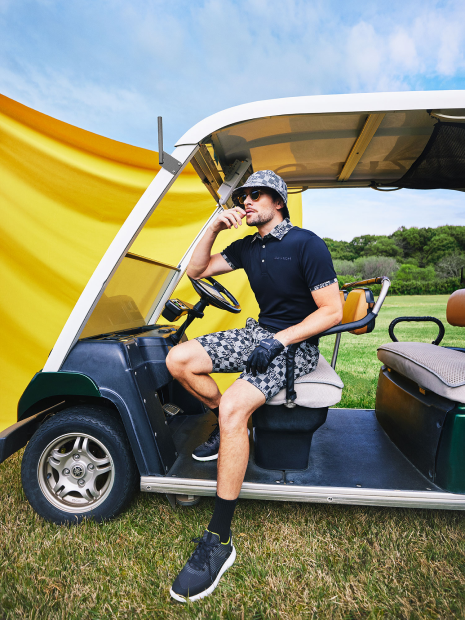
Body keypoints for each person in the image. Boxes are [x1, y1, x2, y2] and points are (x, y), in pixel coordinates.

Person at [166, 170, 342, 602]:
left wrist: (280, 341)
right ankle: (232, 427)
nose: (245, 201)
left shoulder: (306, 243)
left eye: (255, 194)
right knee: (178, 360)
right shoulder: (248, 246)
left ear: (277, 201)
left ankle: (219, 539)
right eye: (242, 195)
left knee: (233, 406)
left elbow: (332, 311)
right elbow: (197, 269)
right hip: (257, 334)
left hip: (295, 346)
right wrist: (212, 227)